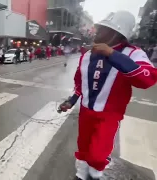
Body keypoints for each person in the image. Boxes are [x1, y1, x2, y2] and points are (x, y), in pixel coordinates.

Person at [58, 11, 157, 180]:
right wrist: (71, 101)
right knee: (83, 148)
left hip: (109, 115)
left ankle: (95, 175)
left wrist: (112, 54)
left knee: (97, 155)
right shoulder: (87, 55)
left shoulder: (133, 53)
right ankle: (81, 175)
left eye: (102, 29)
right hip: (86, 112)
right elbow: (79, 84)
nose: (96, 32)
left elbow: (146, 79)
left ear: (115, 33)